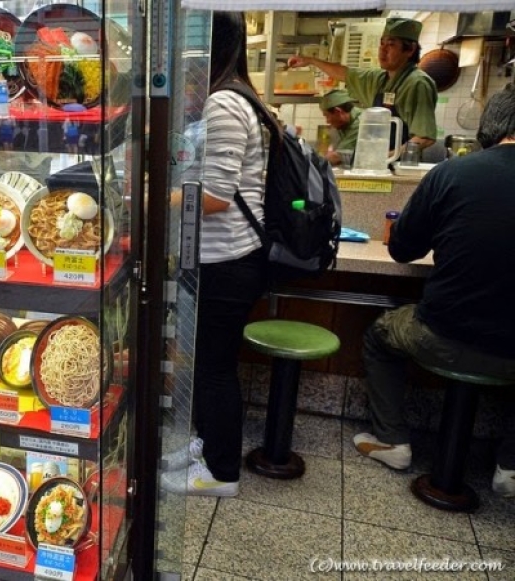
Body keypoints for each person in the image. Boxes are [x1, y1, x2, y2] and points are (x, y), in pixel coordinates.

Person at [353, 85, 515, 497]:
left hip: (442, 335)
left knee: (381, 334)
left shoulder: (453, 173)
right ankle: (510, 467)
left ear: (489, 126)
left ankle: (392, 439)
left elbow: (404, 248)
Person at [160, 11, 270, 497]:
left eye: (192, 53)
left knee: (213, 367)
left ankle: (222, 472)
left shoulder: (225, 102)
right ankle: (205, 445)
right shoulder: (238, 96)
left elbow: (216, 197)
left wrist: (159, 198)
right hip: (226, 259)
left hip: (227, 263)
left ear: (211, 49)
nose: (187, 65)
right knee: (209, 362)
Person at [288, 17, 436, 152]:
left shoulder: (417, 83)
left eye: (390, 45)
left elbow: (424, 137)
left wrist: (391, 157)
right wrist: (311, 61)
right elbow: (344, 73)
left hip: (399, 166)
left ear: (410, 49)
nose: (382, 50)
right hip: (379, 162)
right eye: (381, 43)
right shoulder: (378, 79)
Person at [319, 89, 362, 166]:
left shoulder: (360, 123)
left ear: (338, 112)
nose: (327, 121)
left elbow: (337, 157)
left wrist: (312, 163)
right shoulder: (343, 123)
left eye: (327, 116)